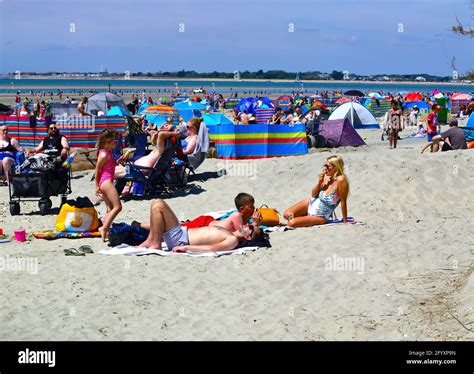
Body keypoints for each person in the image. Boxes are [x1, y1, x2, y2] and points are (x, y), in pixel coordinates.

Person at [137, 199, 260, 252]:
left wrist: (186, 248)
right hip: (181, 234)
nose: (246, 226)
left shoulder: (232, 240)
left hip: (181, 240)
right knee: (156, 204)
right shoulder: (230, 233)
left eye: (249, 228)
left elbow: (211, 248)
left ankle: (154, 243)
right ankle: (152, 240)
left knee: (159, 204)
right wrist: (253, 223)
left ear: (248, 237)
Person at [283, 155, 350, 227]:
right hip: (311, 203)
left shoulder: (341, 180)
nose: (325, 168)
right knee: (286, 214)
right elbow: (314, 195)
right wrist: (319, 183)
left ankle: (302, 219)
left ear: (336, 167)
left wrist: (345, 221)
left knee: (291, 223)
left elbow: (343, 201)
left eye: (328, 166)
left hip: (321, 215)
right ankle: (303, 218)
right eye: (325, 166)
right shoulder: (327, 177)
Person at [95, 129, 123, 242]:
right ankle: (105, 228)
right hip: (106, 182)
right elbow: (97, 170)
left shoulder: (107, 152)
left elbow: (109, 165)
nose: (116, 144)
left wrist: (119, 160)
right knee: (118, 207)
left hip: (105, 181)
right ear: (108, 141)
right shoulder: (103, 154)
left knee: (110, 208)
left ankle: (105, 231)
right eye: (115, 142)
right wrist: (96, 186)